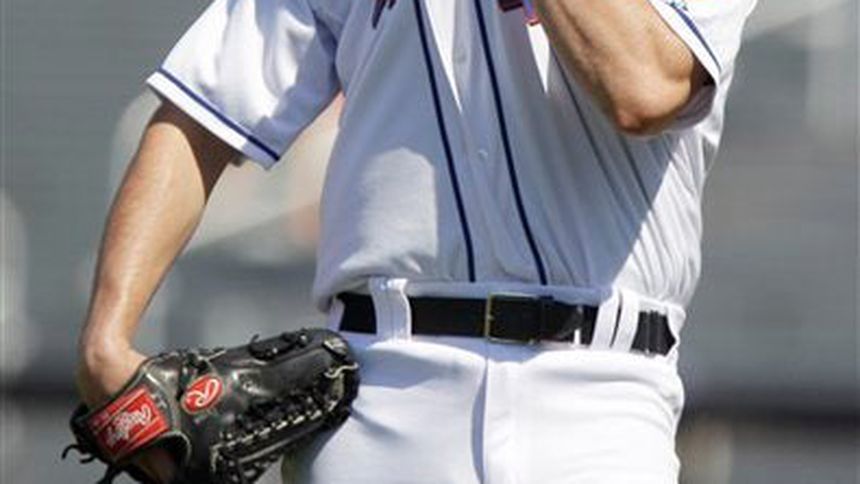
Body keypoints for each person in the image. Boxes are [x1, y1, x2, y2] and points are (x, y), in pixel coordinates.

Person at [75, 0, 758, 482]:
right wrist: (107, 337)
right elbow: (201, 114)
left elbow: (644, 87)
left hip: (597, 398)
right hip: (383, 390)